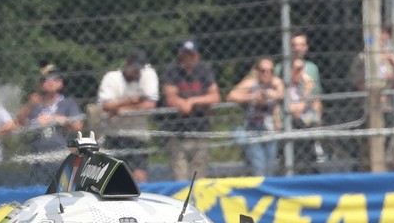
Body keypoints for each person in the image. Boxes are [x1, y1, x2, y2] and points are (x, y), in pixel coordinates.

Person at [161, 40, 221, 181]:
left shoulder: (203, 70)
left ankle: (195, 196)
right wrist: (182, 103)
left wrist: (191, 101)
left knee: (198, 177)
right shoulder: (172, 71)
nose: (188, 59)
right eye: (184, 55)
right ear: (179, 56)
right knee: (180, 177)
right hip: (177, 132)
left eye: (191, 55)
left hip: (200, 130)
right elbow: (170, 98)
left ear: (197, 56)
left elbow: (215, 96)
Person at [97, 49, 159, 182]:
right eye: (134, 67)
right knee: (114, 177)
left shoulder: (148, 74)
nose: (137, 71)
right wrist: (129, 101)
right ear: (127, 64)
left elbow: (150, 105)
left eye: (139, 68)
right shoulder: (112, 78)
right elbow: (106, 106)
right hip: (114, 134)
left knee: (140, 177)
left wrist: (119, 110)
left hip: (137, 134)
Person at [17, 64, 83, 185]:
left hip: (62, 157)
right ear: (40, 84)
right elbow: (18, 123)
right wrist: (29, 106)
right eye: (46, 79)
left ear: (60, 83)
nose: (51, 82)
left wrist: (55, 119)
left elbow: (78, 126)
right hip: (39, 158)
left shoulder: (68, 103)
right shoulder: (34, 105)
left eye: (55, 79)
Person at [227, 57, 284, 177]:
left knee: (270, 167)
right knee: (259, 165)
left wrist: (274, 94)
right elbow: (231, 96)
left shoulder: (275, 83)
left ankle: (267, 187)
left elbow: (282, 93)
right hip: (253, 130)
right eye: (263, 71)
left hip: (270, 130)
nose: (266, 74)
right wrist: (252, 97)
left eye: (270, 71)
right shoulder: (251, 83)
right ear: (257, 71)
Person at [285, 56, 324, 171]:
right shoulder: (286, 89)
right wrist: (307, 91)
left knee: (312, 166)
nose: (302, 73)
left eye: (302, 69)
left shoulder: (298, 88)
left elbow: (314, 106)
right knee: (300, 167)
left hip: (308, 129)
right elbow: (295, 113)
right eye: (298, 69)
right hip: (295, 132)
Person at [275, 29, 322, 94]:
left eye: (302, 45)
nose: (298, 48)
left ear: (307, 47)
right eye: (295, 45)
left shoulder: (312, 68)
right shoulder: (279, 68)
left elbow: (317, 93)